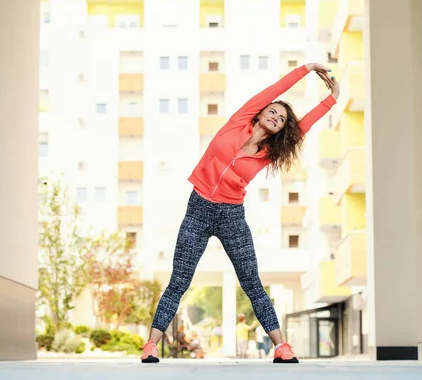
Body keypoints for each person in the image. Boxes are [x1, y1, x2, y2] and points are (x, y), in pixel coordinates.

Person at [140, 63, 340, 364]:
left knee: (251, 282)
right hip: (198, 208)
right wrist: (307, 69)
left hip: (231, 214)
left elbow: (303, 126)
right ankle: (151, 346)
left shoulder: (269, 151)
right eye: (272, 112)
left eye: (282, 118)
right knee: (179, 279)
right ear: (260, 113)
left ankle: (281, 347)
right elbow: (275, 91)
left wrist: (331, 99)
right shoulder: (239, 121)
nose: (275, 117)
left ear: (281, 128)